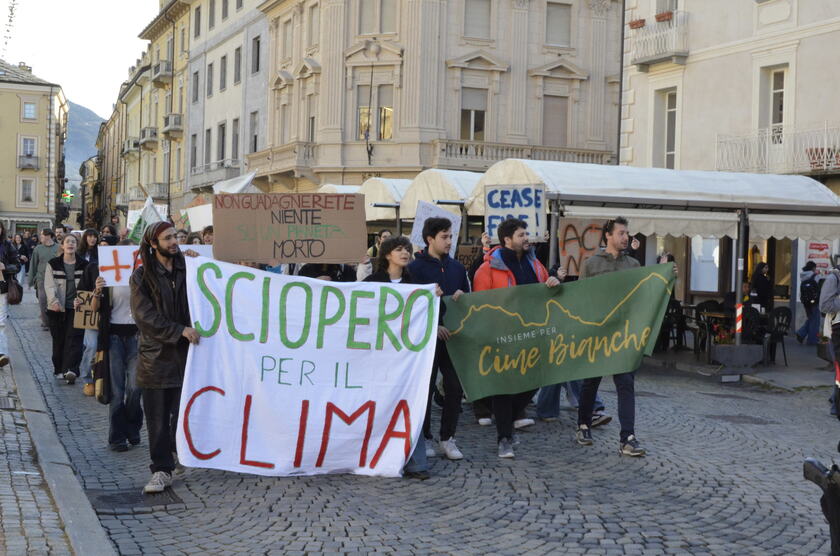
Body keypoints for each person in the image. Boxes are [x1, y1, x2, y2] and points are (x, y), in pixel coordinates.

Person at [575, 217, 673, 457]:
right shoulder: (591, 264)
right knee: (591, 381)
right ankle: (583, 424)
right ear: (607, 235)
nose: (625, 237)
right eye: (621, 233)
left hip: (624, 335)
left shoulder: (633, 264)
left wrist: (667, 273)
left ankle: (627, 438)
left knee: (626, 384)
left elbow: (644, 294)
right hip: (598, 332)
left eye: (626, 233)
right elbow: (579, 297)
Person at [473, 218, 561, 458]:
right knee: (503, 387)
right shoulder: (487, 269)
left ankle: (506, 419)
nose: (526, 239)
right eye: (521, 235)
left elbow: (546, 289)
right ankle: (504, 438)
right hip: (501, 336)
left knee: (535, 379)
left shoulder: (535, 264)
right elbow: (480, 305)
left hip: (532, 334)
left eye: (526, 235)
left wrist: (554, 281)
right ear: (507, 240)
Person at [131, 222, 199, 494]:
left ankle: (175, 454)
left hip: (189, 355)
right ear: (153, 244)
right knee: (158, 419)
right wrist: (179, 330)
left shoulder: (188, 268)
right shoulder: (141, 277)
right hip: (156, 359)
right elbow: (145, 317)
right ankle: (161, 469)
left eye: (175, 237)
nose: (174, 242)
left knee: (183, 413)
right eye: (167, 238)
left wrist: (201, 265)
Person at [364, 236, 439, 479]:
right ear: (387, 255)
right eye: (399, 249)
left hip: (407, 358)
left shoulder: (416, 283)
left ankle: (417, 464)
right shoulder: (372, 282)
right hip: (378, 356)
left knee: (409, 404)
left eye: (407, 249)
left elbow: (430, 312)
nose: (405, 253)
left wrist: (435, 298)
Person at [407, 217, 470, 460]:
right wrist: (434, 326)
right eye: (444, 236)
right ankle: (424, 437)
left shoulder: (457, 268)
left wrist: (463, 296)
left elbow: (468, 298)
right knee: (425, 388)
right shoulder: (414, 268)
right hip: (425, 339)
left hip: (453, 338)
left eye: (451, 236)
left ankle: (448, 438)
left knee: (454, 388)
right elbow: (411, 307)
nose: (449, 241)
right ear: (429, 239)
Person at [82, 239, 143, 451]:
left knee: (135, 388)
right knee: (117, 389)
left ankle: (133, 428)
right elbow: (94, 308)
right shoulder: (108, 274)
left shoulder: (142, 276)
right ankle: (116, 437)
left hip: (137, 336)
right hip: (114, 336)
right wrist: (98, 291)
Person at [44, 234, 88, 384]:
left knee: (75, 339)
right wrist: (54, 301)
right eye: (67, 242)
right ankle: (59, 369)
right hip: (56, 309)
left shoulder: (84, 264)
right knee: (59, 340)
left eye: (73, 242)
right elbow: (49, 285)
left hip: (76, 308)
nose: (70, 244)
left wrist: (81, 300)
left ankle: (72, 370)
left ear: (77, 246)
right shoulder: (53, 263)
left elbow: (87, 286)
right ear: (62, 245)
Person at [29, 229, 60, 330]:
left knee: (53, 300)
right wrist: (30, 281)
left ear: (48, 236)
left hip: (55, 279)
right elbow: (33, 265)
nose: (40, 237)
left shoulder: (59, 247)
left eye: (42, 236)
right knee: (42, 301)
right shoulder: (38, 249)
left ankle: (54, 321)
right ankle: (46, 323)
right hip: (41, 279)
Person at [0, 224, 20, 368]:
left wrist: (5, 267)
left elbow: (17, 265)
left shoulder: (7, 245)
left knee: (1, 322)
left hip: (3, 288)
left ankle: (2, 353)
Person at [797, 261, 822, 345]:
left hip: (805, 301)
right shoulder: (815, 276)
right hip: (815, 301)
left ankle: (801, 333)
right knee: (815, 320)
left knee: (811, 318)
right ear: (813, 268)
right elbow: (820, 288)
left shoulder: (803, 276)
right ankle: (812, 340)